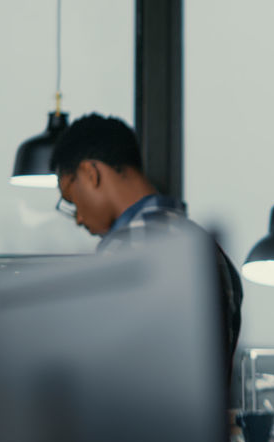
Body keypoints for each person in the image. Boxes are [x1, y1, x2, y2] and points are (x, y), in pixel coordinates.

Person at [50, 113, 243, 376]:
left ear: (90, 173)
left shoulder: (122, 251)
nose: (78, 218)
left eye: (72, 200)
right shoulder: (211, 250)